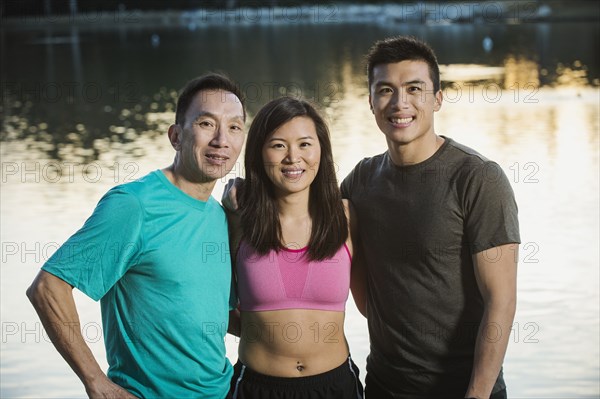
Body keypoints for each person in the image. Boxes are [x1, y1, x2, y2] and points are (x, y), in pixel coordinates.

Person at [26, 73, 247, 399]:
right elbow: (48, 288)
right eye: (205, 124)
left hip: (224, 391)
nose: (221, 140)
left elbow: (218, 316)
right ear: (176, 136)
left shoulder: (219, 216)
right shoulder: (134, 206)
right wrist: (96, 383)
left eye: (234, 127)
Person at [340, 36, 520, 399]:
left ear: (438, 99)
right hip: (383, 387)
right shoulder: (360, 181)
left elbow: (501, 300)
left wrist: (478, 393)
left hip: (464, 389)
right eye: (386, 90)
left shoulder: (477, 178)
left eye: (414, 89)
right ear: (372, 102)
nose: (399, 103)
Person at [227, 97, 364, 399]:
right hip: (257, 387)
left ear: (321, 151)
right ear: (259, 153)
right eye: (278, 145)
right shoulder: (237, 218)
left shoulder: (346, 217)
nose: (293, 158)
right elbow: (209, 305)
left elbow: (373, 305)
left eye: (305, 144)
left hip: (335, 386)